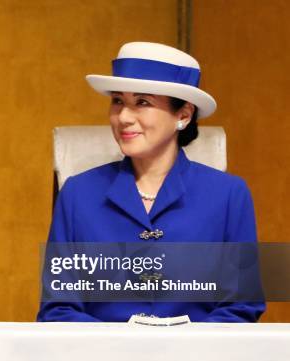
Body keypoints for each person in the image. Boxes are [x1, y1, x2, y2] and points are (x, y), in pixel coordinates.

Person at [37, 42, 264, 322]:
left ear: (183, 115)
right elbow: (58, 309)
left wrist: (177, 350)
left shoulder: (230, 195)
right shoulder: (77, 194)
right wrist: (123, 348)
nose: (123, 117)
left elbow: (242, 307)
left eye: (142, 103)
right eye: (118, 101)